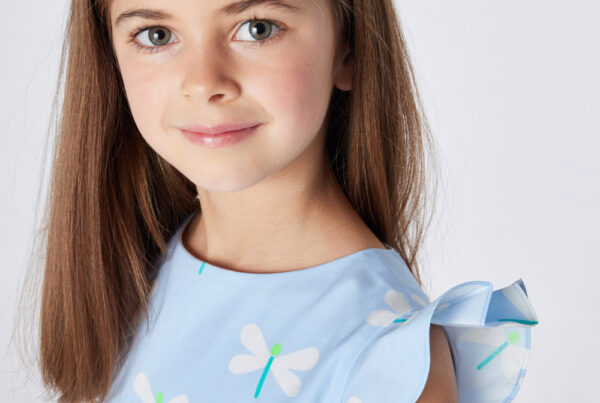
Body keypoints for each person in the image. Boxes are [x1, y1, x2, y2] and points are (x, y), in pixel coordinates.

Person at [19, 0, 538, 401]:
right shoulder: (131, 269)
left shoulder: (390, 365)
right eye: (157, 35)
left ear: (348, 45)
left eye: (257, 28)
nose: (204, 83)